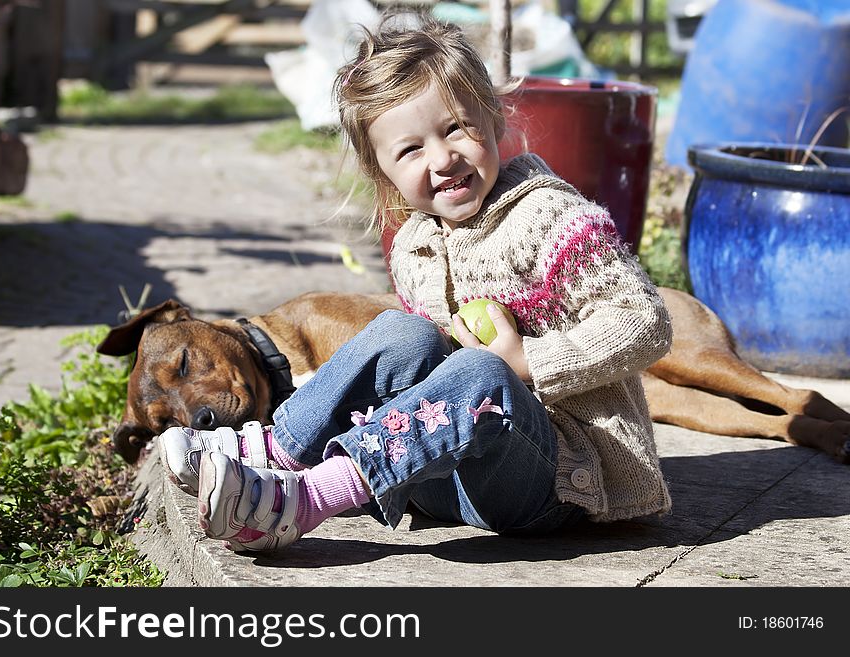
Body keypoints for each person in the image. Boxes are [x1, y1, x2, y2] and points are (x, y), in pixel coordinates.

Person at [158, 13, 673, 553]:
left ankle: (304, 500)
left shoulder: (551, 216)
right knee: (404, 333)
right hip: (450, 480)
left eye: (455, 127)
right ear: (382, 172)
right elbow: (427, 376)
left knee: (481, 370)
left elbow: (644, 322)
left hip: (561, 481)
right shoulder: (413, 246)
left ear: (494, 118)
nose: (443, 157)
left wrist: (527, 362)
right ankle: (273, 452)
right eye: (410, 150)